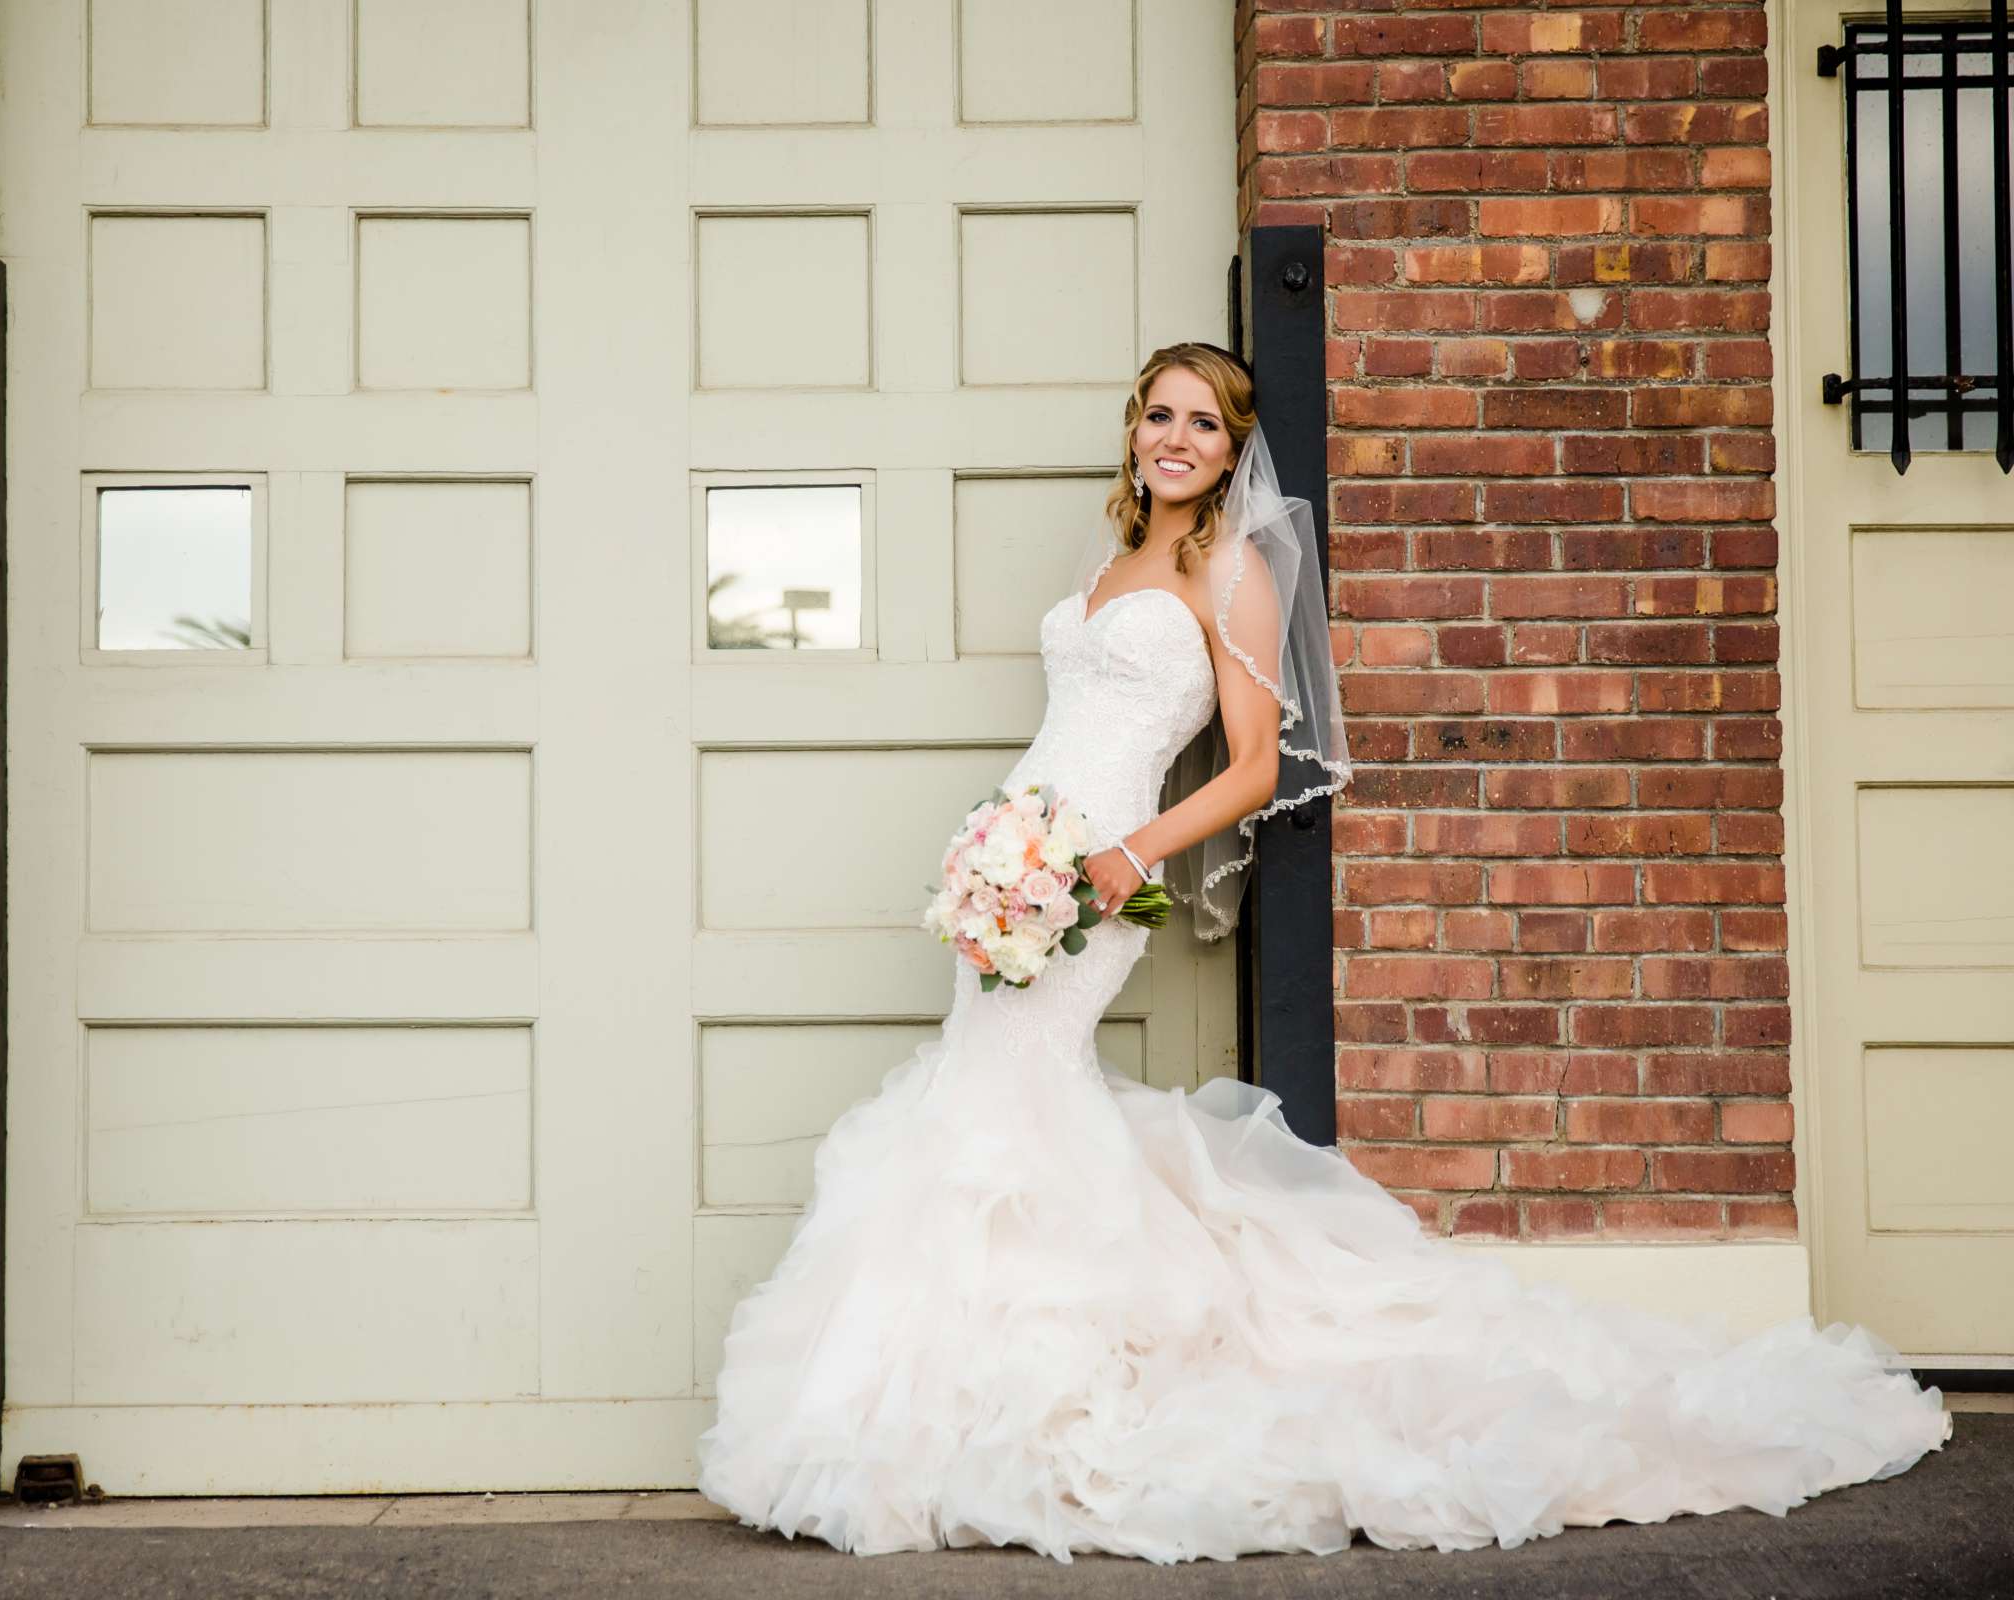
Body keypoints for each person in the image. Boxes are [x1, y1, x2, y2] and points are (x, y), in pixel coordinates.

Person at [691, 342, 1951, 1565]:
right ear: (1133, 430)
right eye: (1158, 415)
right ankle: (942, 1411)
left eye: (1203, 423)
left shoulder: (1234, 568)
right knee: (985, 1097)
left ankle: (992, 1412)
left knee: (1008, 1105)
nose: (1175, 439)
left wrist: (1129, 854)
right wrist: (999, 847)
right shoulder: (1122, 556)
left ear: (1235, 448)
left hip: (1096, 871)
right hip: (1018, 863)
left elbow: (1249, 766)